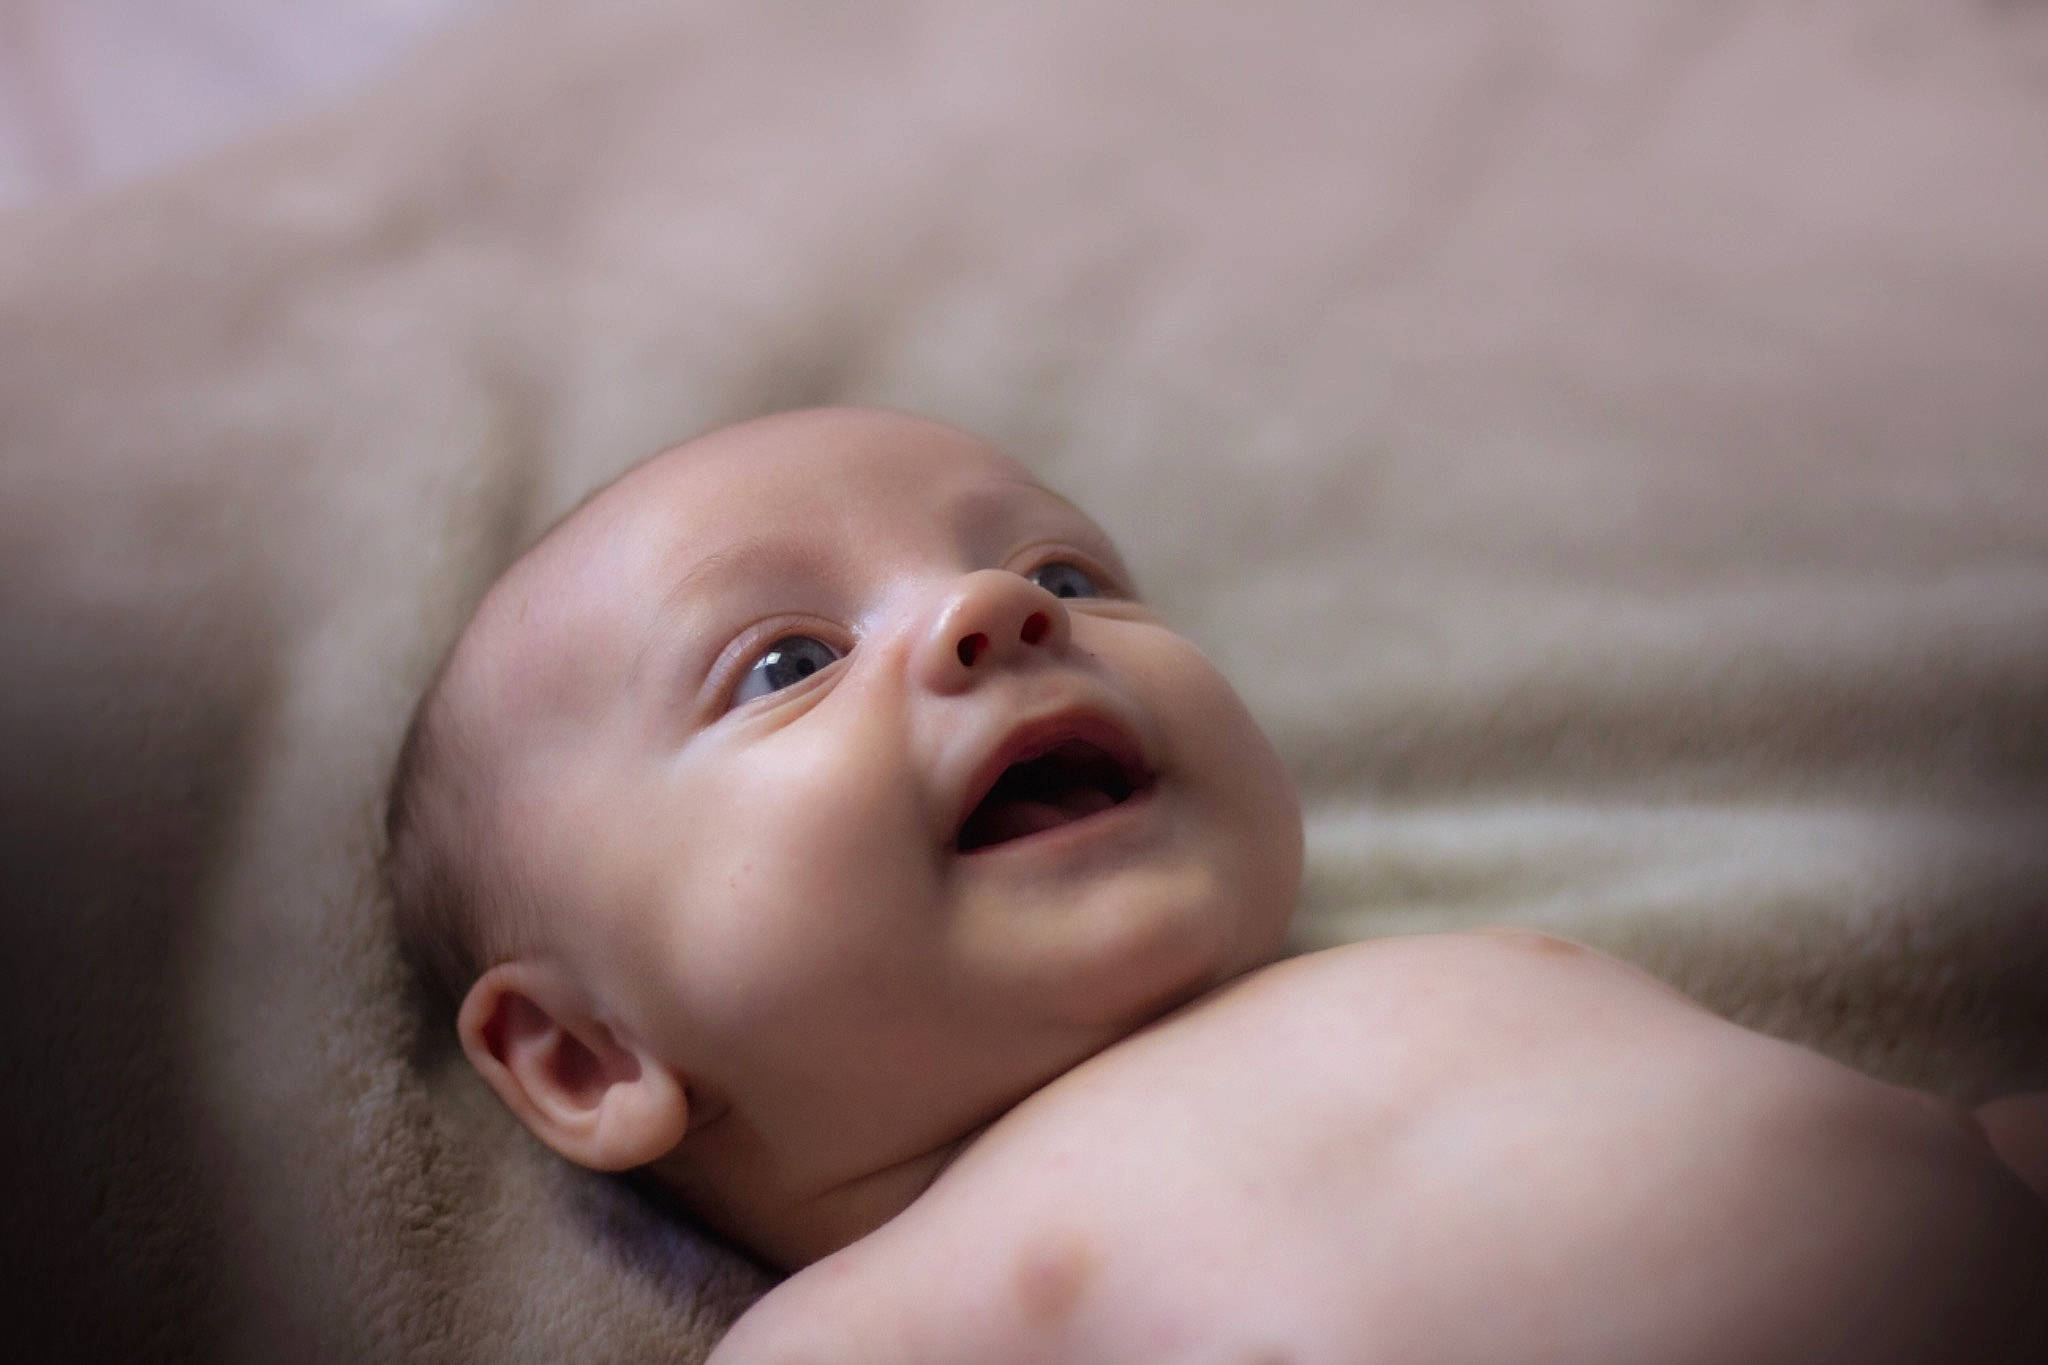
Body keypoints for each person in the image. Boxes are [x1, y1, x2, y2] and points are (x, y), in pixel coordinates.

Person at [384, 407, 2048, 1363]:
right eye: (786, 661)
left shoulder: (1470, 963)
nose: (993, 608)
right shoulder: (866, 1321)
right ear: (588, 1056)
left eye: (1065, 572)